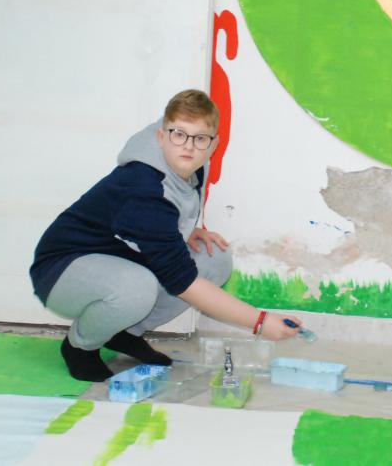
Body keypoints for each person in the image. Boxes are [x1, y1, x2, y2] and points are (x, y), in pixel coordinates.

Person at [30, 89, 300, 381]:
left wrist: (183, 229)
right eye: (179, 135)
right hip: (61, 269)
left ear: (213, 144)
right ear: (161, 136)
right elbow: (181, 280)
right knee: (138, 288)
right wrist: (260, 322)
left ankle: (123, 334)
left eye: (200, 139)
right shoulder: (145, 186)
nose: (189, 147)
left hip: (118, 255)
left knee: (214, 258)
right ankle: (79, 347)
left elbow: (161, 212)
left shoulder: (191, 159)